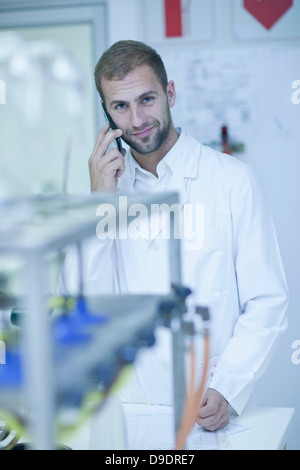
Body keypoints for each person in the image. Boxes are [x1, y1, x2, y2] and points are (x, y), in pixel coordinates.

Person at [58, 40, 288, 432]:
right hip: (127, 416)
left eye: (146, 99)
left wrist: (228, 389)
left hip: (208, 414)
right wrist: (100, 203)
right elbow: (80, 304)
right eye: (120, 106)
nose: (137, 119)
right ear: (107, 114)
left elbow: (266, 301)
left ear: (170, 93)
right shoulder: (105, 193)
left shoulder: (232, 182)